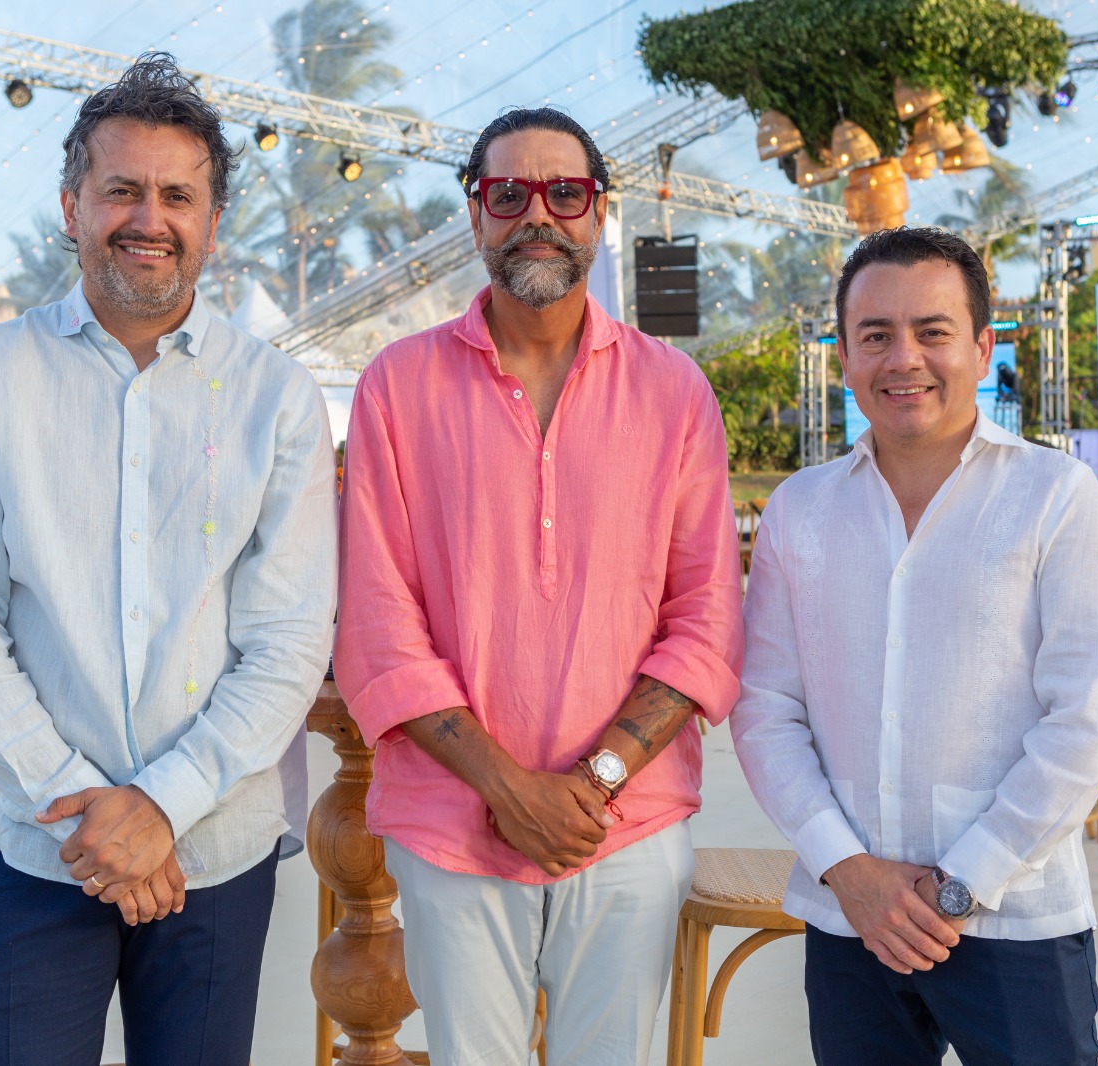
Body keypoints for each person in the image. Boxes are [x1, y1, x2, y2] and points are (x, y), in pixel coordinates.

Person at [0, 54, 337, 1066]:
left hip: (215, 846)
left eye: (177, 195)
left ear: (213, 223)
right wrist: (91, 813)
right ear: (72, 207)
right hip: (30, 841)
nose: (150, 218)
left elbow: (286, 640)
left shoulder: (277, 398)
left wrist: (161, 806)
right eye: (122, 190)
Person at [333, 107, 744, 1065]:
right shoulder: (397, 386)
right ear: (476, 212)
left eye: (565, 192)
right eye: (508, 193)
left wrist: (592, 784)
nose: (538, 216)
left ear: (600, 210)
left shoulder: (674, 391)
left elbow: (707, 618)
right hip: (451, 819)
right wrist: (507, 789)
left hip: (627, 820)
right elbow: (378, 627)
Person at [731, 227, 1098, 1066]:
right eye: (876, 334)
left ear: (983, 349)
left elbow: (1086, 723)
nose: (903, 358)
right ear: (844, 357)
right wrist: (849, 870)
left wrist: (959, 886)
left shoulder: (1057, 499)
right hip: (851, 918)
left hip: (1015, 914)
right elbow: (765, 709)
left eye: (933, 331)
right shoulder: (800, 511)